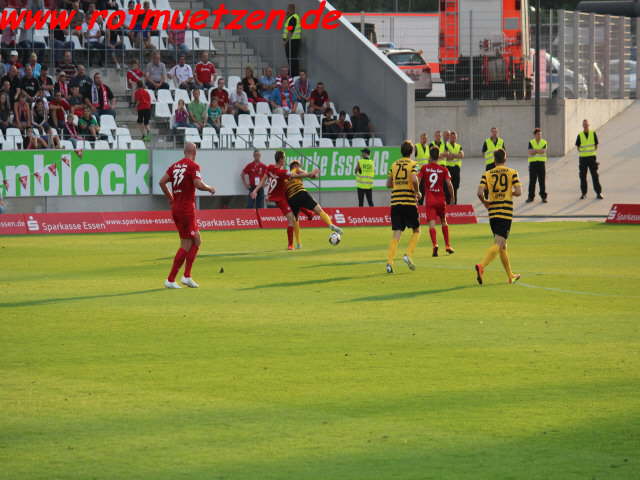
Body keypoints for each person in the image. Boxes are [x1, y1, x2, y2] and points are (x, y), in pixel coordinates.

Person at [158, 142, 216, 289]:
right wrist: (209, 188)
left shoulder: (175, 166)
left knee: (197, 240)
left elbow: (162, 182)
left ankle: (187, 276)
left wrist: (171, 198)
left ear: (185, 151)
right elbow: (198, 184)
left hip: (177, 208)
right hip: (186, 210)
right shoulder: (193, 166)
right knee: (186, 243)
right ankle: (170, 279)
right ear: (194, 152)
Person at [250, 150, 319, 250]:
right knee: (291, 219)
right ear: (281, 159)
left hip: (282, 194)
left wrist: (255, 190)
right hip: (280, 198)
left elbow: (263, 180)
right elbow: (295, 176)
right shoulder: (282, 172)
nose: (285, 160)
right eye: (284, 158)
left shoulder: (270, 167)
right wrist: (309, 174)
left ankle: (309, 213)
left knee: (295, 199)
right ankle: (290, 245)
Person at [475, 149, 522, 285]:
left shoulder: (487, 173)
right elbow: (519, 192)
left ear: (494, 160)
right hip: (505, 212)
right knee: (499, 244)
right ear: (505, 159)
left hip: (493, 213)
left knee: (502, 246)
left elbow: (479, 193)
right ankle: (481, 266)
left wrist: (485, 202)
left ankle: (510, 276)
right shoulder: (512, 172)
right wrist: (509, 192)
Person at [286, 159, 343, 250]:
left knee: (295, 219)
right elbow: (308, 174)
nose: (299, 167)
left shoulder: (286, 177)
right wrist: (313, 174)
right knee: (319, 210)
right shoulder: (296, 170)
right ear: (295, 166)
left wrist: (312, 175)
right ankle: (330, 225)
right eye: (298, 165)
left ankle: (298, 243)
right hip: (301, 193)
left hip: (291, 198)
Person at [385, 140, 421, 274]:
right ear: (411, 152)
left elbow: (388, 184)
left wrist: (398, 184)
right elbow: (414, 179)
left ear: (401, 151)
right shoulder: (413, 164)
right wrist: (417, 192)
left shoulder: (394, 164)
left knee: (397, 233)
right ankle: (408, 254)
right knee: (416, 230)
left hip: (395, 202)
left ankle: (389, 262)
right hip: (408, 202)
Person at [419, 147, 455, 257]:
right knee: (444, 220)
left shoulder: (424, 168)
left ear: (430, 156)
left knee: (432, 224)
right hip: (441, 200)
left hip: (430, 200)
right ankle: (448, 245)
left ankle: (435, 244)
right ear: (438, 156)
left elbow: (418, 180)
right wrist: (452, 197)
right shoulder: (444, 169)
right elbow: (449, 184)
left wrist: (416, 192)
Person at [576, 119, 603, 200]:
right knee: (583, 177)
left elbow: (596, 145)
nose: (585, 126)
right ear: (582, 126)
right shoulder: (580, 135)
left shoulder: (593, 133)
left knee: (595, 176)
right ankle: (583, 193)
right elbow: (578, 146)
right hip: (583, 159)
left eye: (586, 124)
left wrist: (591, 152)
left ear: (588, 125)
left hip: (591, 158)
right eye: (584, 125)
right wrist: (583, 151)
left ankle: (598, 193)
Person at [527, 128, 548, 203]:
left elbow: (543, 151)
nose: (540, 136)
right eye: (538, 134)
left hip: (541, 164)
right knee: (532, 181)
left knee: (542, 181)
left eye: (540, 134)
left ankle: (543, 197)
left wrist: (535, 150)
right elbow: (530, 152)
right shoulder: (531, 142)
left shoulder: (544, 142)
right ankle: (530, 197)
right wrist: (538, 150)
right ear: (535, 135)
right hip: (533, 164)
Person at [282, 3, 301, 76]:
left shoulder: (293, 18)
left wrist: (286, 41)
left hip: (292, 41)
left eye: (288, 9)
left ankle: (293, 74)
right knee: (292, 58)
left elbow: (290, 31)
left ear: (292, 9)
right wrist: (286, 17)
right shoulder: (292, 17)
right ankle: (293, 73)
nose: (287, 11)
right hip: (293, 40)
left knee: (291, 58)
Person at [446, 131, 464, 204]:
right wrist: (456, 155)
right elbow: (448, 157)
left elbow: (462, 155)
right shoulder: (446, 145)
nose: (453, 138)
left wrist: (452, 155)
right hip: (448, 168)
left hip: (456, 169)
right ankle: (447, 203)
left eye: (455, 137)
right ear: (449, 137)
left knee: (455, 187)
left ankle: (454, 204)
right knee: (448, 187)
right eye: (452, 137)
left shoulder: (458, 146)